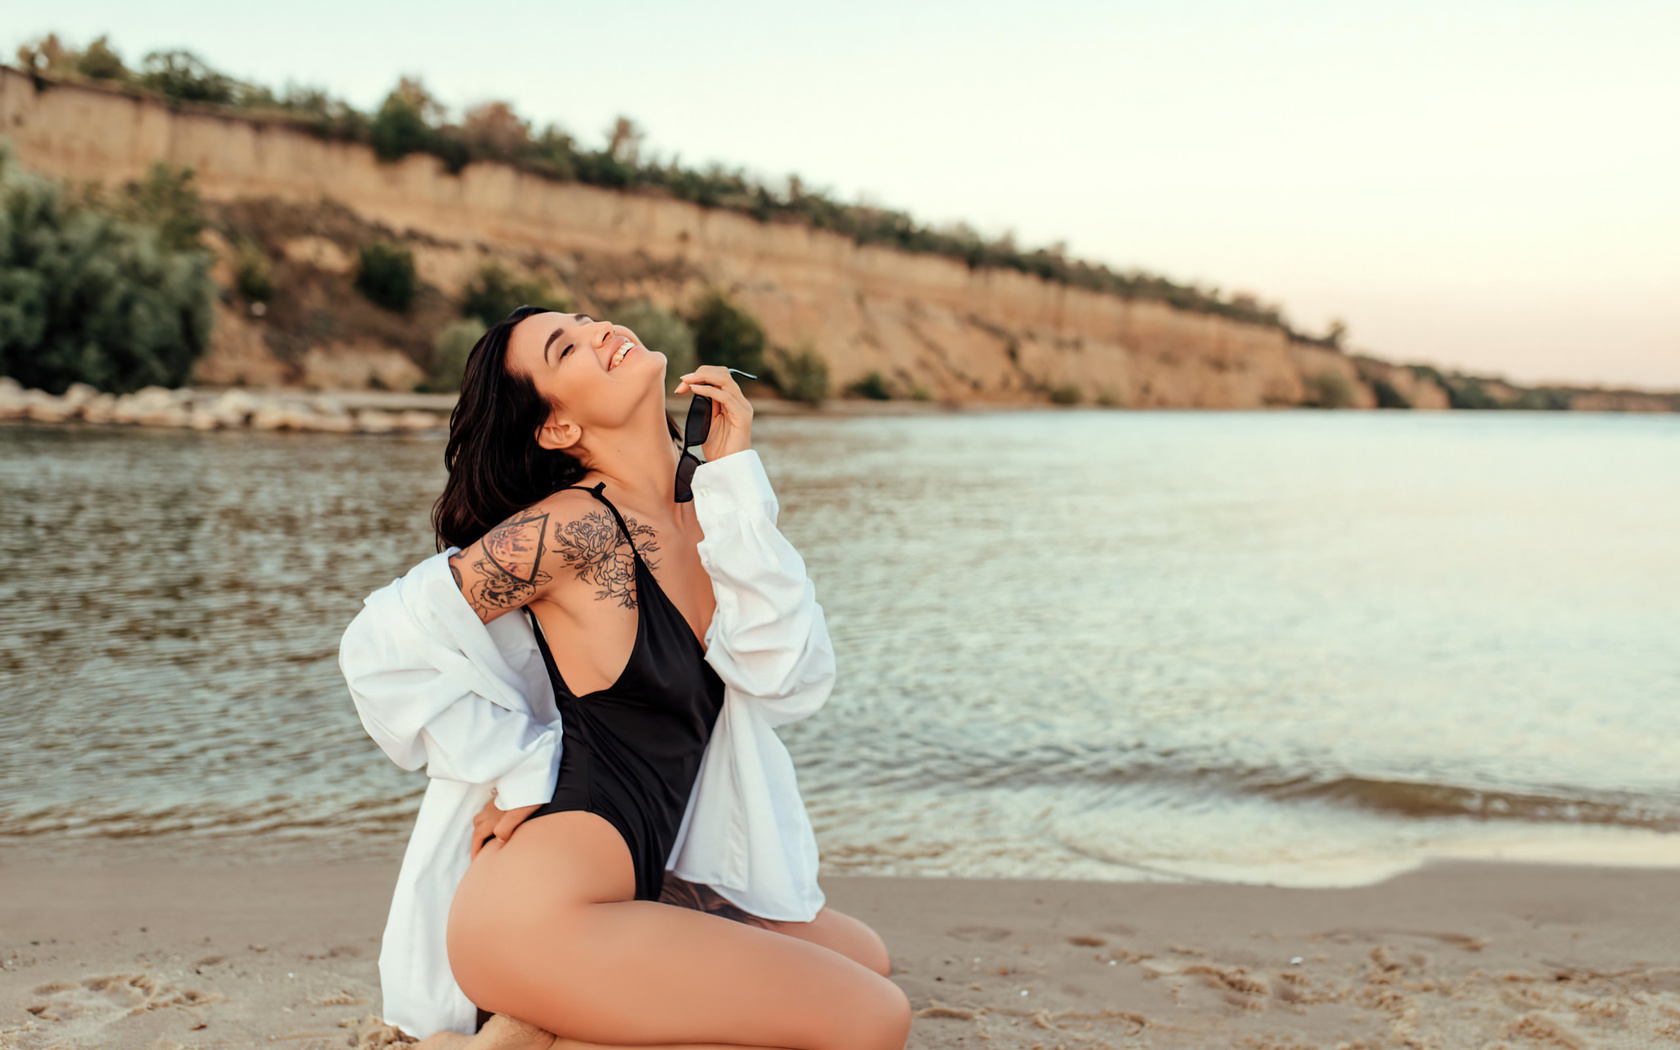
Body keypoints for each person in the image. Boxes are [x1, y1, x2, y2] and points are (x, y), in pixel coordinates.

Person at [339, 306, 911, 1050]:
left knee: (866, 958)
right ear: (556, 429)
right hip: (539, 911)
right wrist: (513, 769)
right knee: (872, 1018)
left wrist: (736, 477)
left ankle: (551, 1030)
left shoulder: (706, 508)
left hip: (642, 873)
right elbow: (380, 643)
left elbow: (788, 677)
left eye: (588, 319)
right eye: (564, 346)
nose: (598, 331)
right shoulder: (575, 528)